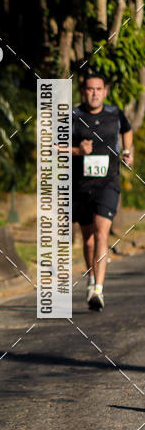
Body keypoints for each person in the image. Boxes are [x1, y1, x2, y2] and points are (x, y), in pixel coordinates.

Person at [72, 71, 133, 310]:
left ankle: (98, 289)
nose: (94, 93)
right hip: (81, 186)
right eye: (90, 89)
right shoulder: (73, 116)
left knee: (101, 233)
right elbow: (55, 147)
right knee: (88, 242)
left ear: (105, 92)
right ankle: (91, 278)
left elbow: (126, 131)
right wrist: (78, 151)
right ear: (83, 92)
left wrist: (128, 151)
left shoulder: (115, 113)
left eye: (99, 89)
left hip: (108, 183)